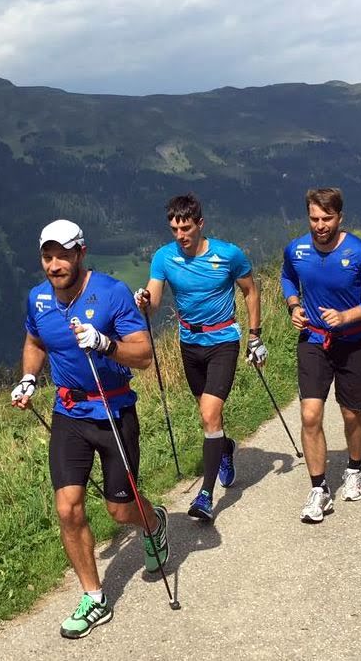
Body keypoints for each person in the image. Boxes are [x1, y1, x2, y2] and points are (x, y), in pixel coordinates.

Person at [11, 219, 169, 640]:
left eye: (63, 254)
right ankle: (94, 597)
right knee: (68, 508)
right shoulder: (38, 299)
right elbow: (35, 342)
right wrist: (29, 378)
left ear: (81, 252)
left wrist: (105, 343)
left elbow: (144, 354)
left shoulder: (112, 293)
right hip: (69, 415)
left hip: (114, 411)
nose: (54, 264)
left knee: (119, 510)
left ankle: (152, 524)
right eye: (47, 255)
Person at [135, 194, 265, 522]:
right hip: (189, 343)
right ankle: (225, 448)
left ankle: (205, 495)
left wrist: (254, 335)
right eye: (175, 228)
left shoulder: (228, 254)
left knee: (209, 415)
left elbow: (251, 290)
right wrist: (144, 302)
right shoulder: (164, 258)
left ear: (200, 224)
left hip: (223, 340)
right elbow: (153, 304)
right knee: (209, 418)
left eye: (186, 227)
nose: (181, 235)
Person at [281, 187, 361, 523]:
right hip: (313, 339)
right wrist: (294, 305)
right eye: (314, 218)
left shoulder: (360, 252)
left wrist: (348, 316)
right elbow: (288, 277)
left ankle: (354, 467)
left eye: (327, 218)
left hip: (352, 341)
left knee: (350, 414)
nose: (320, 225)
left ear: (340, 217)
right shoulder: (296, 249)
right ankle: (319, 489)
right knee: (310, 414)